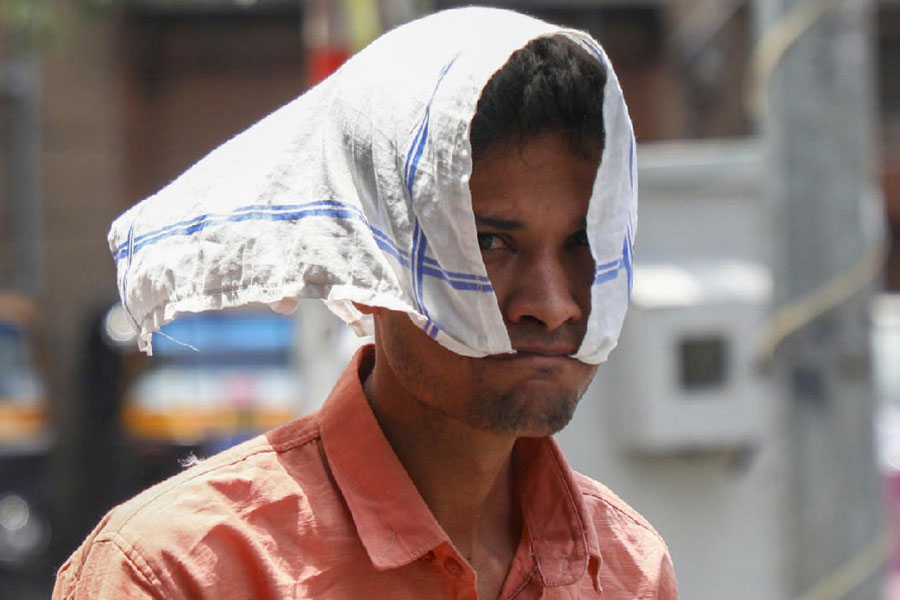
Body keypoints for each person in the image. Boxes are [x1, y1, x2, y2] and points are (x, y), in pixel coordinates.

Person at [53, 7, 677, 600]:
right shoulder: (181, 572)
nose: (554, 304)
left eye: (582, 243)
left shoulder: (625, 568)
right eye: (488, 244)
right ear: (366, 262)